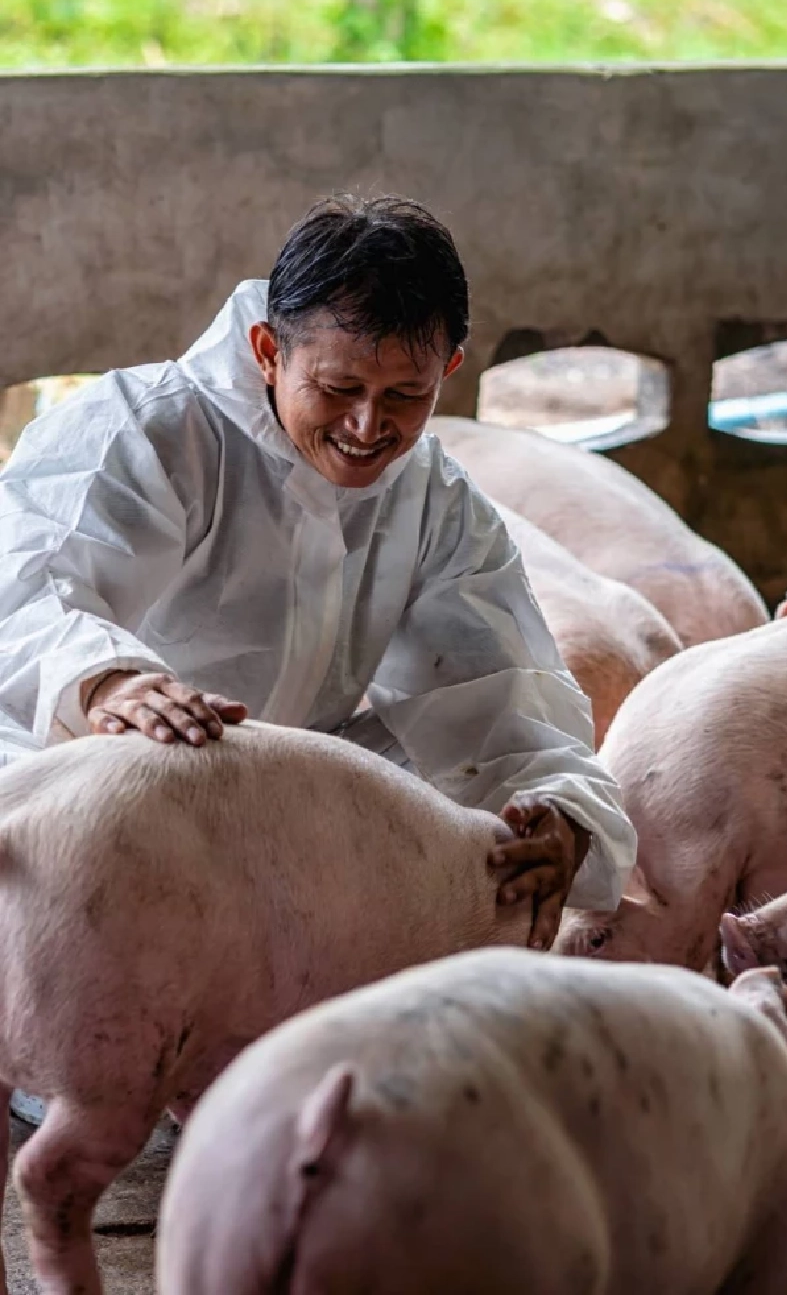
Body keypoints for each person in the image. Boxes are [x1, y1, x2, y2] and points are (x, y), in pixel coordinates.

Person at [0, 194, 635, 952]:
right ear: (269, 351)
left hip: (276, 788)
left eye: (406, 395)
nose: (368, 428)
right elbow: (26, 593)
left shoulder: (435, 499)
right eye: (337, 390)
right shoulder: (147, 426)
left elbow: (502, 698)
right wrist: (108, 682)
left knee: (483, 828)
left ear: (450, 369)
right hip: (85, 754)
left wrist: (562, 816)